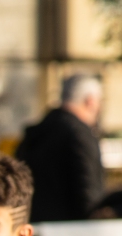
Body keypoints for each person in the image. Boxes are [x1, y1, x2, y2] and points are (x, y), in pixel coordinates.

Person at [16, 74, 104, 225]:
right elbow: (87, 193)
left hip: (34, 226)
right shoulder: (79, 135)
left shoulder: (39, 130)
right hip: (70, 230)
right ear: (90, 101)